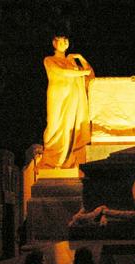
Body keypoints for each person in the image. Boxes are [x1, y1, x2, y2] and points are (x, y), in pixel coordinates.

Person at [40, 35, 93, 169]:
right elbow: (61, 72)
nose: (64, 43)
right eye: (61, 40)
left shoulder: (72, 62)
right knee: (54, 126)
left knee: (69, 129)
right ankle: (51, 161)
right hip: (57, 97)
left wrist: (80, 58)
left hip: (72, 98)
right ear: (54, 43)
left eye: (66, 41)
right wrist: (82, 73)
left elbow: (90, 75)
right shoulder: (49, 60)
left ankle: (67, 160)